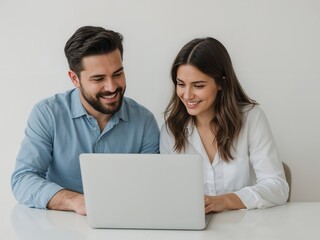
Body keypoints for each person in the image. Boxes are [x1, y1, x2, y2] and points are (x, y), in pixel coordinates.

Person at [11, 26, 160, 215]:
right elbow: (23, 179)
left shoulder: (144, 122)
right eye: (98, 79)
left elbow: (150, 187)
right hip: (58, 226)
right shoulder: (47, 114)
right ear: (75, 79)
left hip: (124, 222)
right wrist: (75, 201)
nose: (112, 87)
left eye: (117, 74)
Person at [160, 37, 289, 213]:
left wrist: (226, 201)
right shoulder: (171, 130)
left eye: (198, 86)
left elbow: (278, 187)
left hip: (248, 229)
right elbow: (168, 194)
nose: (187, 95)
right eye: (181, 84)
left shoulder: (252, 118)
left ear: (221, 83)